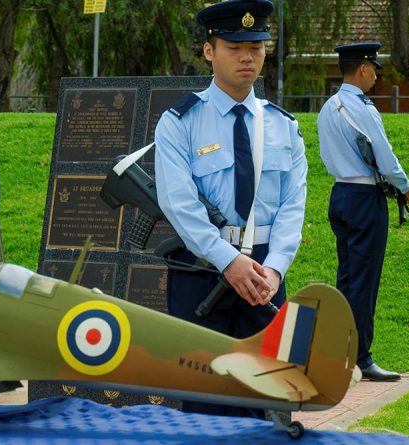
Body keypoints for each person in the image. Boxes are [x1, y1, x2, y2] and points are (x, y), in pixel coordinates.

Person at [154, 0, 307, 418]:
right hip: (202, 271)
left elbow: (293, 208)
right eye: (234, 47)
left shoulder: (284, 126)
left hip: (263, 276)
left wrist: (274, 268)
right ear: (209, 50)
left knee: (270, 398)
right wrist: (227, 261)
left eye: (256, 47)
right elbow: (180, 205)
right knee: (204, 396)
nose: (247, 57)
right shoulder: (180, 122)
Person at [317, 42, 409, 382]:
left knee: (347, 279)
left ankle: (341, 352)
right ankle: (361, 358)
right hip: (364, 198)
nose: (375, 75)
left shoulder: (329, 107)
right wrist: (404, 185)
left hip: (340, 193)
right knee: (364, 282)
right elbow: (383, 155)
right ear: (362, 69)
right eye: (374, 68)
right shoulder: (363, 108)